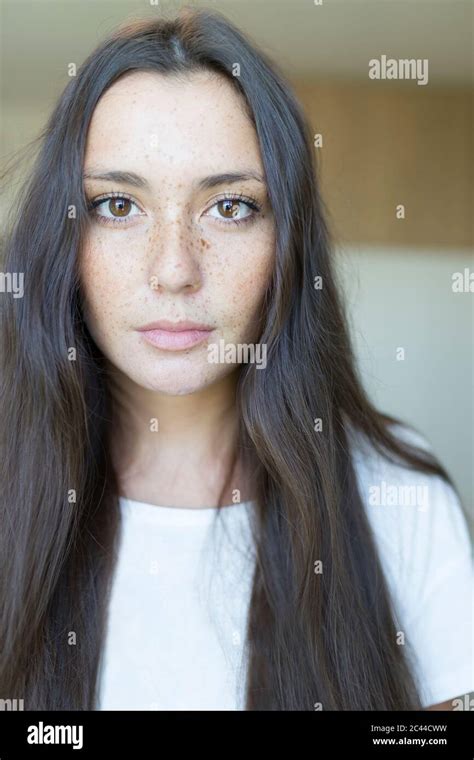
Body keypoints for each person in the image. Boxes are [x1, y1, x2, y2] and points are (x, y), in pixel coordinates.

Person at [0, 8, 471, 711]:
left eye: (229, 207)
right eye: (118, 205)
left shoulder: (394, 496)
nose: (174, 270)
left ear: (289, 244)